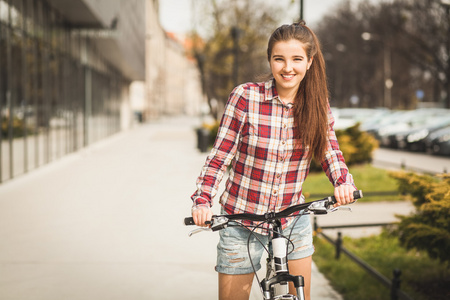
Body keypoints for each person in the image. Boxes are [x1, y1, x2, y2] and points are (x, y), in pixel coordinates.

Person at [190, 21, 357, 300]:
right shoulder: (245, 97)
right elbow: (219, 157)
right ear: (270, 59)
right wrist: (203, 201)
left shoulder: (317, 103)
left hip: (293, 220)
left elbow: (329, 151)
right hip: (242, 221)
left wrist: (343, 182)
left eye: (296, 59)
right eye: (279, 59)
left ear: (310, 62)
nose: (287, 67)